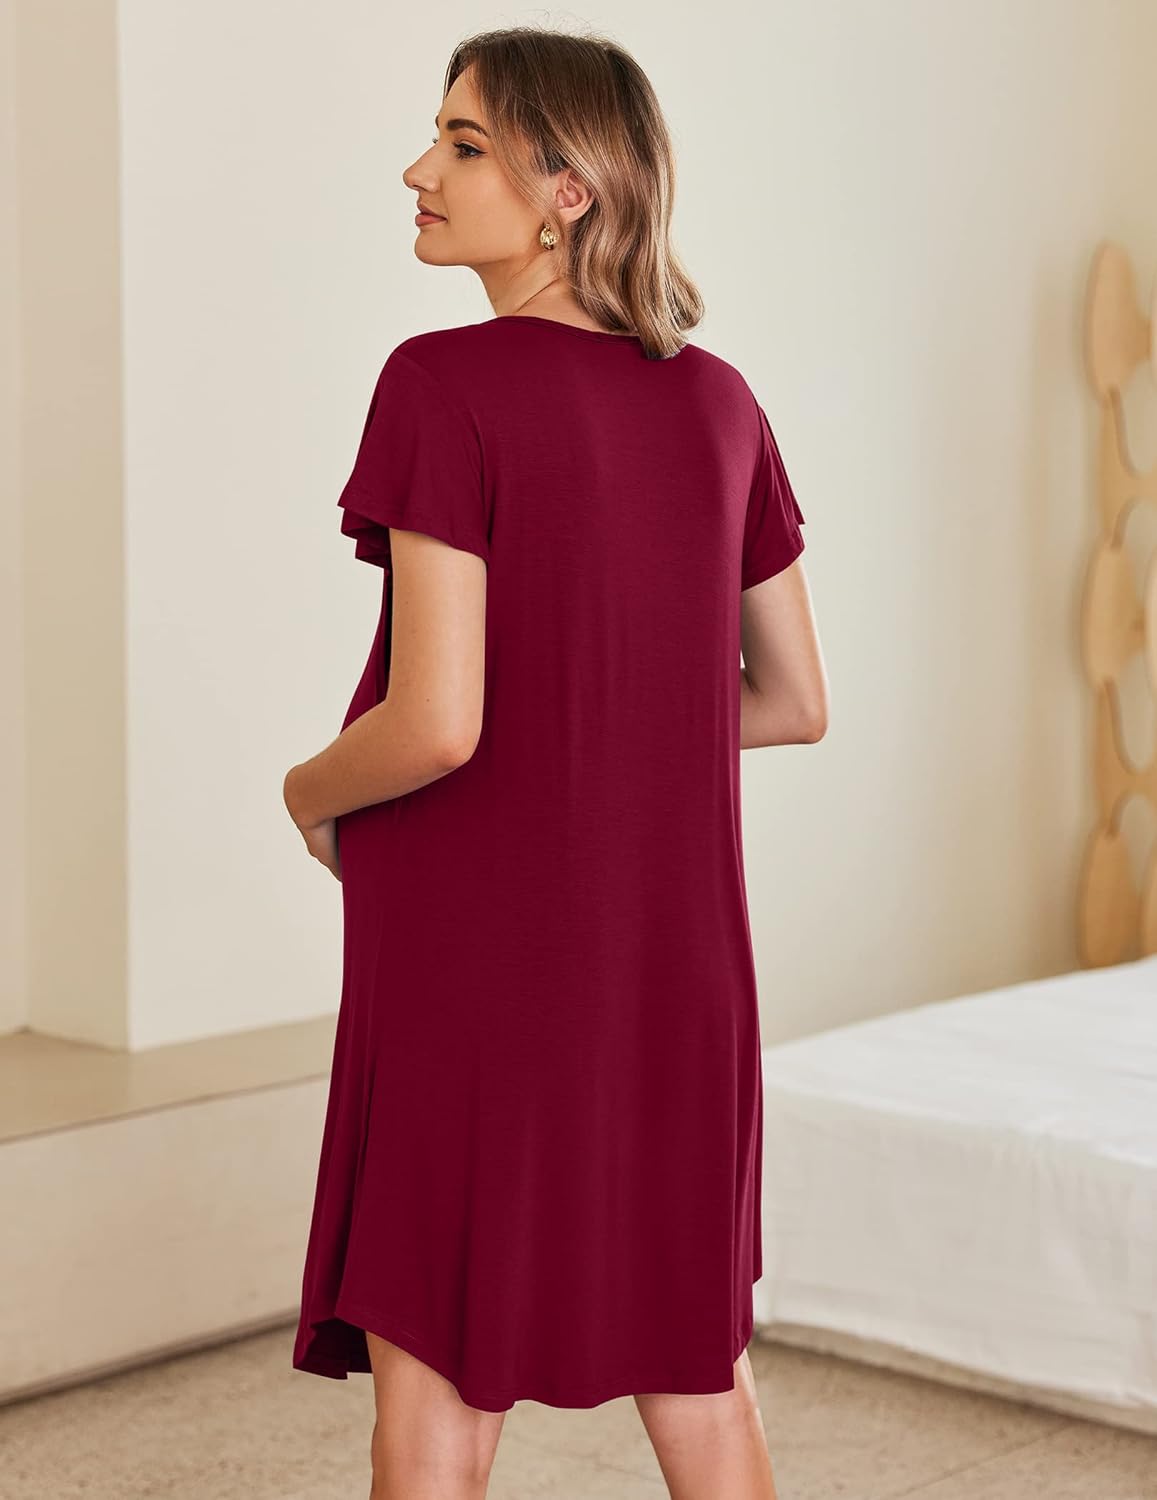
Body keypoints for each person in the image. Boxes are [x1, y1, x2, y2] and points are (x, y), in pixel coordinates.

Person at [283, 24, 828, 1500]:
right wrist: (624, 718)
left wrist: (307, 793)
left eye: (463, 144)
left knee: (439, 1397)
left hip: (481, 967)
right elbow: (792, 700)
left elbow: (437, 720)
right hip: (674, 972)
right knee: (702, 1383)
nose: (420, 169)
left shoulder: (441, 383)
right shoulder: (720, 401)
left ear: (568, 192)